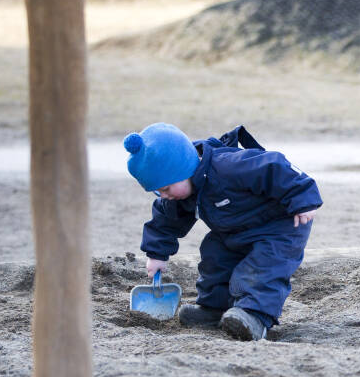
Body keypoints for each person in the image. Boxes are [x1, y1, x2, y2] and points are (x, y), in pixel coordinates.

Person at [124, 122, 321, 341]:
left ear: (182, 167)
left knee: (262, 269)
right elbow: (165, 220)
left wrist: (303, 197)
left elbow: (275, 166)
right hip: (234, 229)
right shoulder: (182, 189)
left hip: (279, 227)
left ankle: (254, 317)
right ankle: (214, 308)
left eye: (166, 188)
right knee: (215, 256)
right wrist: (156, 253)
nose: (164, 195)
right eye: (158, 191)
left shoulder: (228, 166)